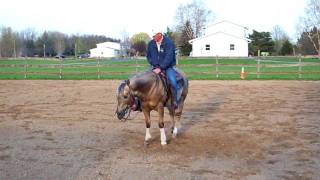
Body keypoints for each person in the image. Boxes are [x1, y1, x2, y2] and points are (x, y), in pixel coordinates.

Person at [146, 29, 180, 108]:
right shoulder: (151, 44)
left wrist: (160, 68)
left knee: (173, 82)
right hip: (154, 67)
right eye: (152, 36)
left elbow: (169, 57)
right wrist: (154, 65)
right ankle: (141, 102)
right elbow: (148, 56)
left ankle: (175, 101)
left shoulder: (168, 43)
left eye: (154, 36)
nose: (153, 37)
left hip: (167, 67)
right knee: (145, 79)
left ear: (160, 34)